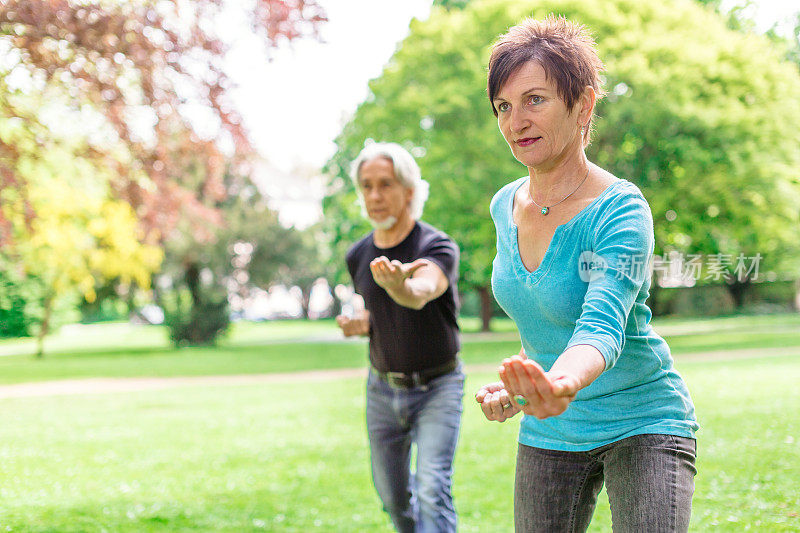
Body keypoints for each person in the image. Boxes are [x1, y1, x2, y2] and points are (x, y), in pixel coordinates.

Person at [474, 16, 699, 533]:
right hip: (552, 428)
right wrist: (527, 386)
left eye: (535, 100)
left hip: (643, 421)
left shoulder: (621, 210)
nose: (515, 122)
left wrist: (560, 382)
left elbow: (601, 325)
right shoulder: (504, 205)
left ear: (583, 105)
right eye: (503, 107)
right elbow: (544, 315)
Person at [336, 142, 464, 533]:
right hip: (382, 389)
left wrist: (400, 287)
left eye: (385, 184)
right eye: (367, 185)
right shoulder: (358, 255)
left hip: (438, 388)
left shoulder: (435, 246)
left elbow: (422, 291)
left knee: (430, 488)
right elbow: (374, 311)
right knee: (392, 497)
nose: (374, 195)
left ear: (409, 190)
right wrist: (362, 323)